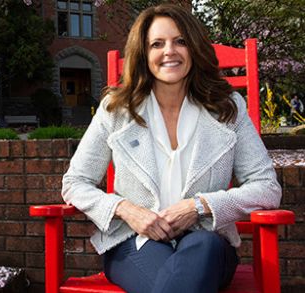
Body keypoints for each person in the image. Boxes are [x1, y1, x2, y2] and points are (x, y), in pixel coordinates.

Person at [61, 4, 281, 293]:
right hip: (134, 243)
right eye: (157, 44)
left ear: (194, 48)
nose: (169, 51)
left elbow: (267, 187)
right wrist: (127, 210)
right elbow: (75, 183)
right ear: (143, 54)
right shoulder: (117, 110)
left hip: (208, 243)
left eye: (180, 41)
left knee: (202, 248)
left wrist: (199, 206)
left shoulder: (227, 108)